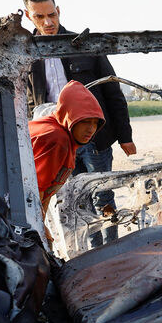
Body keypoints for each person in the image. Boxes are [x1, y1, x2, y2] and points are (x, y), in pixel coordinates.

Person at [22, 0, 134, 247]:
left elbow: (112, 91)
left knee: (102, 194)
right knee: (76, 201)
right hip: (57, 142)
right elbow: (28, 103)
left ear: (58, 11)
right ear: (29, 16)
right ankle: (94, 250)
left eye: (52, 15)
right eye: (40, 17)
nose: (48, 22)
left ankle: (113, 248)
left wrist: (125, 136)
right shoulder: (27, 55)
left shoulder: (84, 46)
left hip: (94, 137)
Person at [29, 80, 104, 221]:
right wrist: (39, 227)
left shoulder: (58, 127)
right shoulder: (57, 139)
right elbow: (34, 192)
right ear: (69, 116)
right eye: (85, 121)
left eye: (95, 123)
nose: (91, 129)